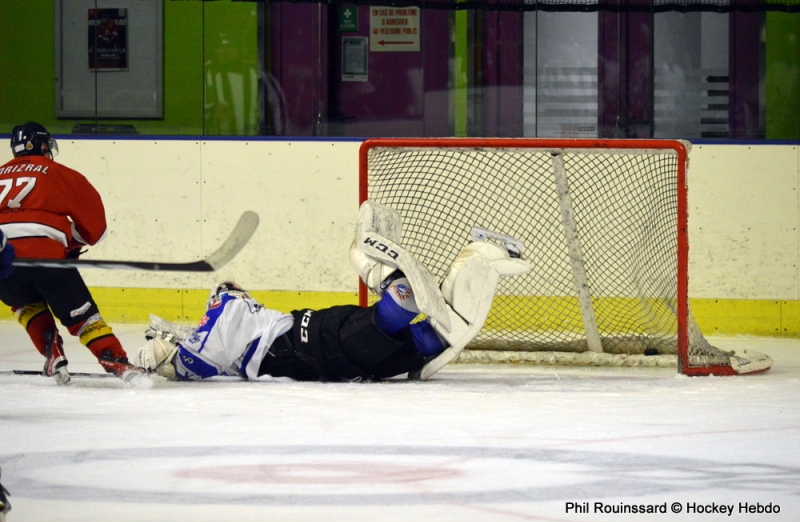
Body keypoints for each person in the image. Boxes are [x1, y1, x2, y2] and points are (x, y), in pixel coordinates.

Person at [133, 201, 531, 382]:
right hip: (323, 340)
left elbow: (196, 356)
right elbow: (196, 358)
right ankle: (391, 284)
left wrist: (160, 354)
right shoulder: (233, 322)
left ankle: (398, 292)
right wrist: (166, 352)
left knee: (404, 337)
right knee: (404, 329)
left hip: (325, 346)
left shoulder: (229, 314)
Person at [0, 122, 148, 385]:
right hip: (46, 260)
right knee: (83, 318)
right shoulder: (58, 173)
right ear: (43, 145)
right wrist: (68, 243)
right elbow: (95, 229)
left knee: (24, 302)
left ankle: (51, 351)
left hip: (4, 264)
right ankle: (118, 363)